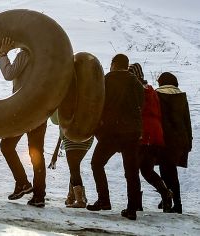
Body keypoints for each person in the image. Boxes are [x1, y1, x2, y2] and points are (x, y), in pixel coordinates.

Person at [86, 54, 144, 220]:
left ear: (113, 64)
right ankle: (132, 209)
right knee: (131, 171)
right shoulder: (136, 83)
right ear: (126, 66)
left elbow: (97, 102)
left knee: (97, 163)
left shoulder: (106, 80)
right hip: (132, 133)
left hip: (111, 132)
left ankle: (104, 200)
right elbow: (141, 103)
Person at [0, 37, 47, 208]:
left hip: (23, 110)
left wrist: (4, 53)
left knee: (6, 146)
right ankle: (39, 195)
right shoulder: (46, 57)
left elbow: (9, 74)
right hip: (40, 111)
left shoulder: (26, 54)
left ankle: (23, 183)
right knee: (36, 153)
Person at [128, 63, 172, 212]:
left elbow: (136, 110)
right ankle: (166, 194)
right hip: (155, 134)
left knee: (133, 169)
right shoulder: (151, 90)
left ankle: (136, 203)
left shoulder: (136, 89)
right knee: (147, 169)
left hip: (143, 132)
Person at [156, 72, 192, 214]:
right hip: (179, 140)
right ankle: (172, 200)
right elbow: (186, 121)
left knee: (165, 170)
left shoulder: (157, 95)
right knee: (170, 170)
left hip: (163, 138)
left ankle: (171, 200)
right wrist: (188, 142)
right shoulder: (181, 96)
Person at [49, 111, 94, 208]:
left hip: (72, 136)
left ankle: (80, 200)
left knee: (74, 169)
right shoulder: (83, 101)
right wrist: (56, 152)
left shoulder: (66, 100)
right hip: (87, 136)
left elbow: (56, 120)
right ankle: (72, 197)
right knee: (74, 167)